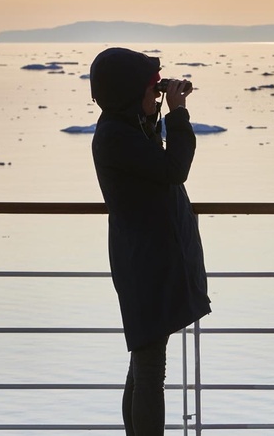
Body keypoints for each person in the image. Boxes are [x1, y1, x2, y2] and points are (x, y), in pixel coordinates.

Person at [89, 47, 212, 435]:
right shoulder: (116, 136)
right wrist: (177, 114)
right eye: (151, 90)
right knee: (149, 368)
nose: (157, 97)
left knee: (143, 362)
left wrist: (160, 107)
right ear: (128, 93)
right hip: (146, 262)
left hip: (148, 258)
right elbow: (175, 169)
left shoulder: (124, 129)